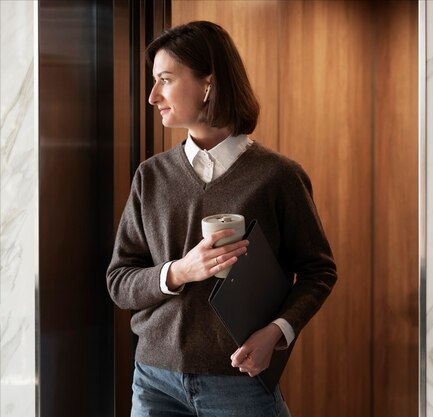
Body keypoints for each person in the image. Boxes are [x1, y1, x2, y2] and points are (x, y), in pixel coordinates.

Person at [106, 21, 337, 417]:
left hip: (238, 384)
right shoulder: (151, 176)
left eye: (165, 80)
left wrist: (277, 332)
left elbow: (318, 272)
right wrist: (179, 271)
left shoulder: (277, 176)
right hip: (153, 382)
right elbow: (120, 281)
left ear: (208, 84)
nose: (152, 96)